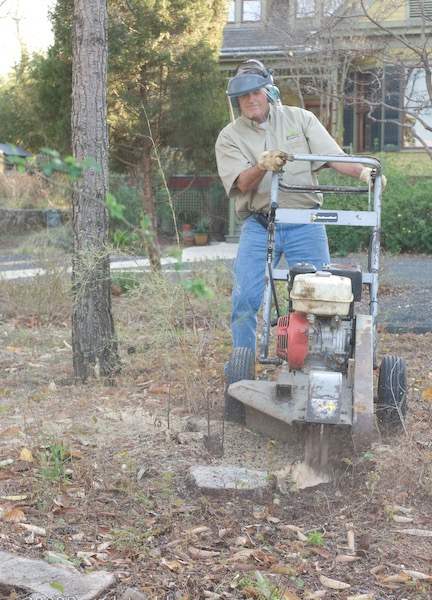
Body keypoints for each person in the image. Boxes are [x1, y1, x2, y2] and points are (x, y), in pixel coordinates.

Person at [215, 59, 386, 357]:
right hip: (260, 223)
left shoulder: (300, 119)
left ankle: (318, 362)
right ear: (237, 100)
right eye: (244, 95)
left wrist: (363, 173)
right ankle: (242, 364)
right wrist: (262, 165)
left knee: (321, 297)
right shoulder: (230, 136)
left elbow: (333, 156)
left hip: (306, 222)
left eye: (256, 92)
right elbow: (241, 184)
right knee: (245, 300)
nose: (251, 99)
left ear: (268, 91)